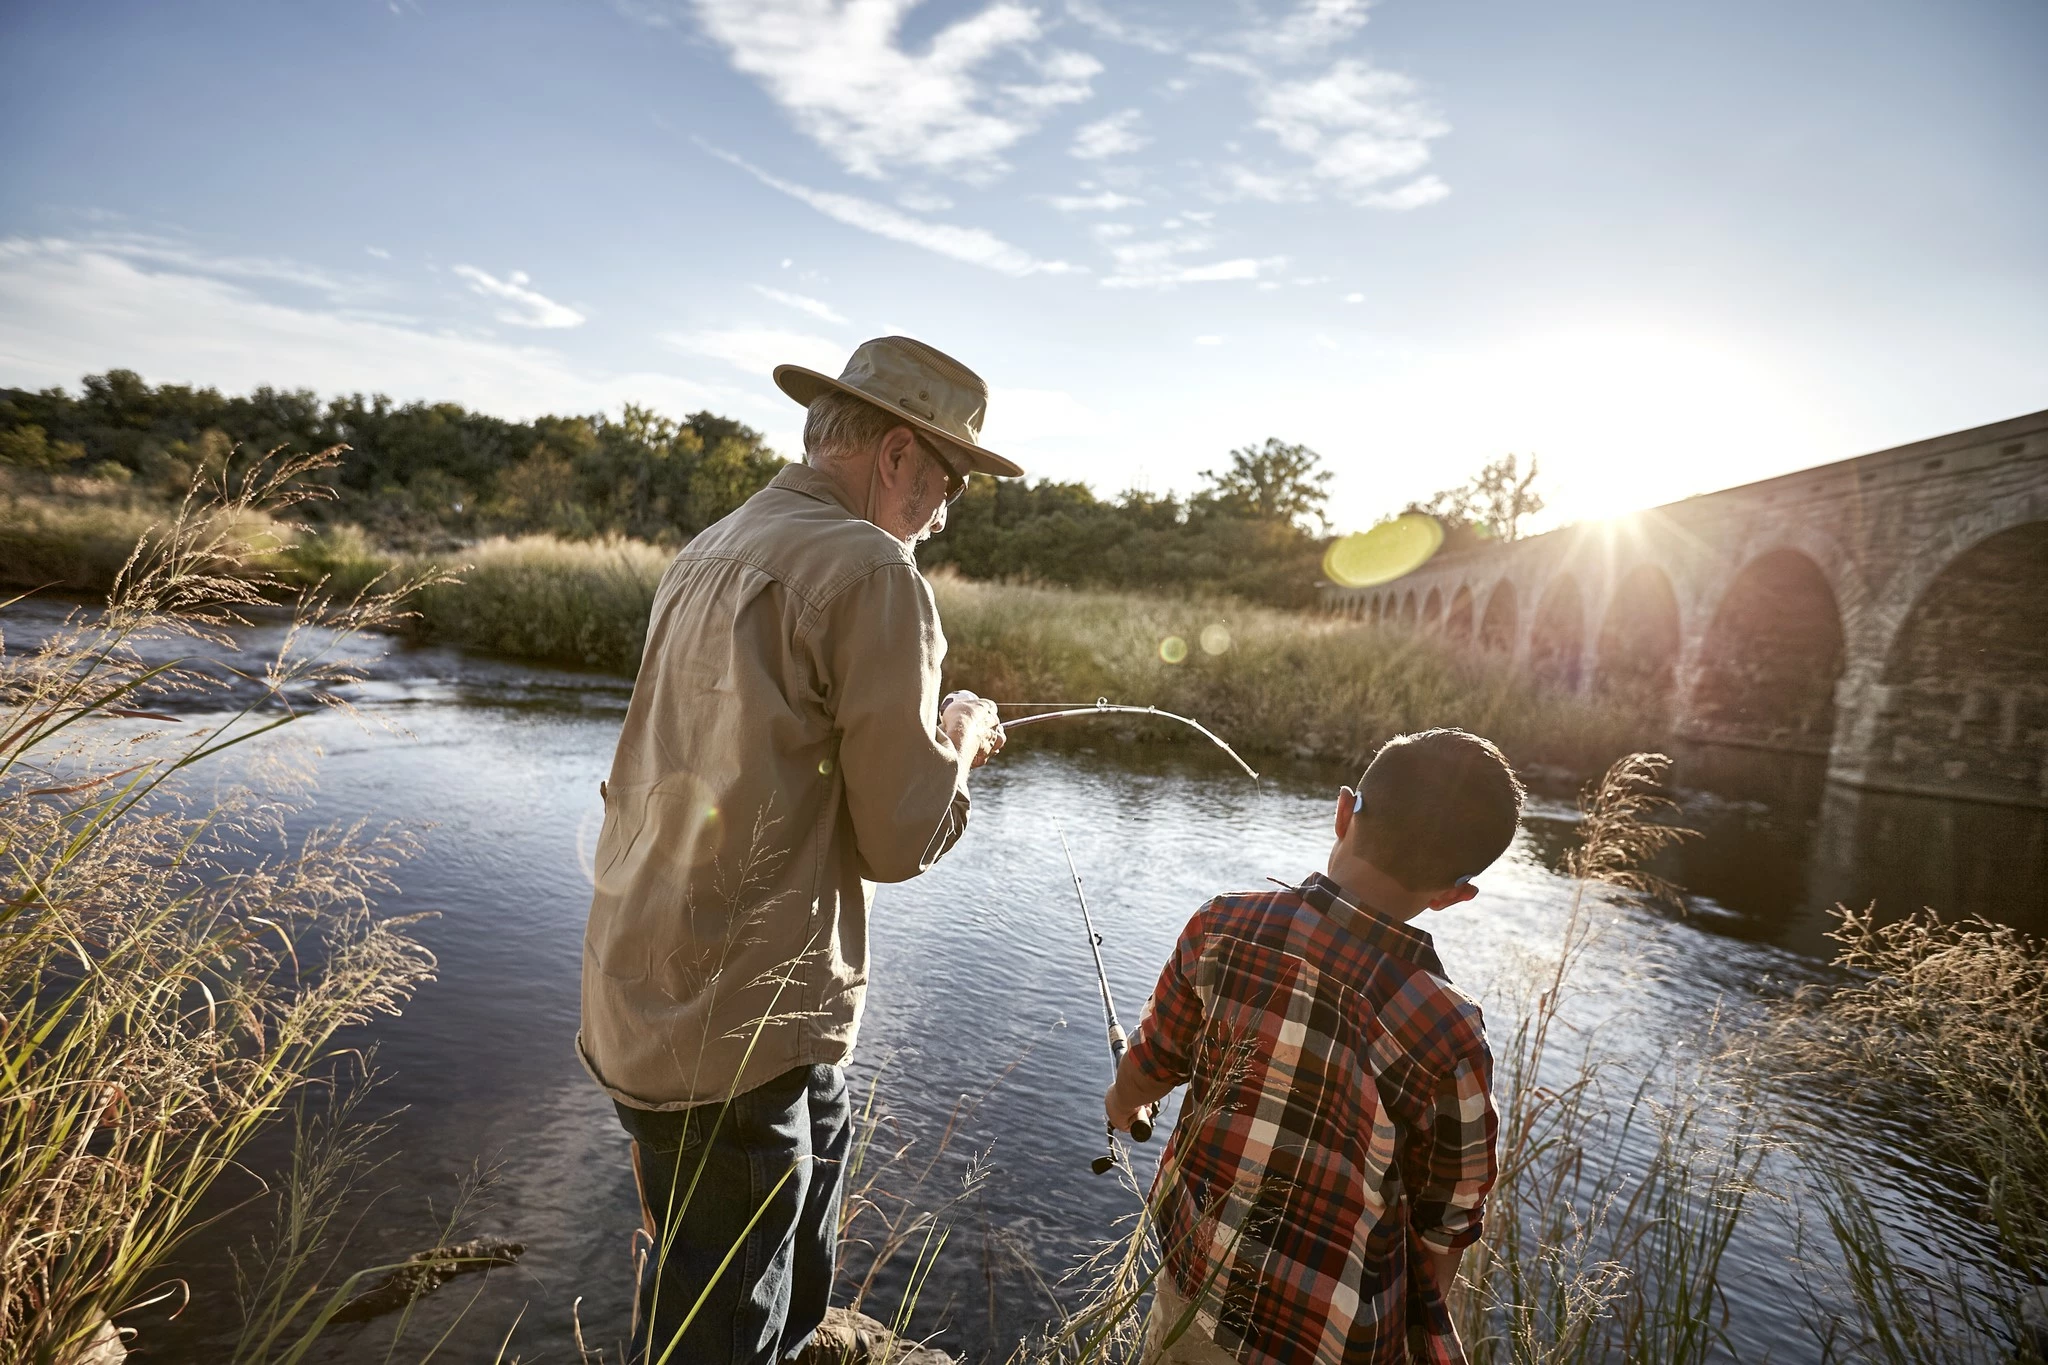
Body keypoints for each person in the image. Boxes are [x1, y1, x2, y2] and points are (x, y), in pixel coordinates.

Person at [578, 336, 1022, 1364]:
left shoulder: (714, 542)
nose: (945, 508)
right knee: (720, 1333)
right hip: (737, 1016)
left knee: (777, 1263)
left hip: (651, 982)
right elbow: (898, 840)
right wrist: (959, 744)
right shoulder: (873, 568)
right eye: (948, 478)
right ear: (900, 454)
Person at [1105, 728, 1525, 1364]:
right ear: (1452, 896)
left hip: (1199, 1293)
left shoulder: (1221, 927)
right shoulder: (1451, 1031)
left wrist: (1121, 1105)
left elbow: (1151, 1067)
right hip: (1336, 1341)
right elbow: (1447, 1229)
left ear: (1343, 813)